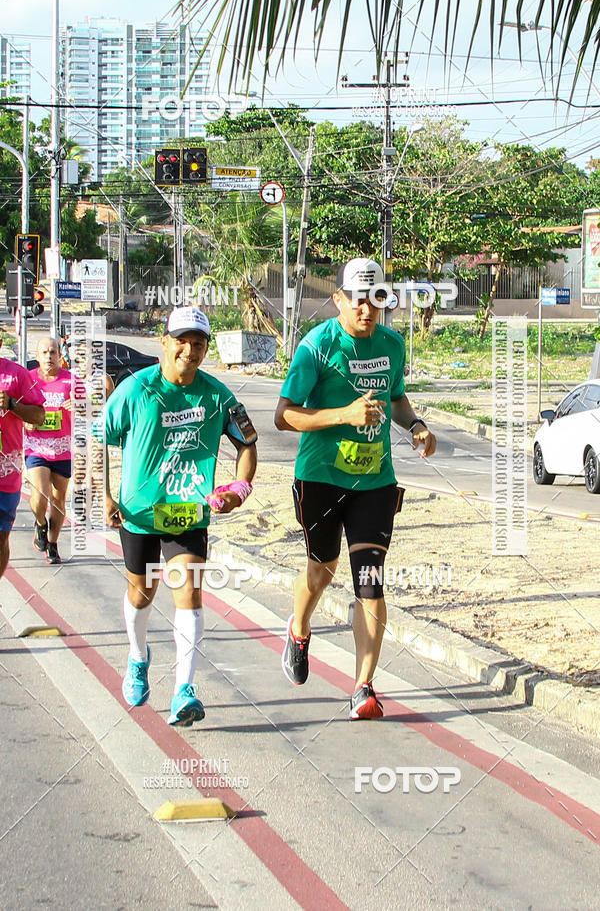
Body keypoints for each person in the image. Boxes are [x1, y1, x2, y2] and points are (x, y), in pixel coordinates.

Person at [274, 258, 437, 720]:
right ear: (339, 300)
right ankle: (300, 627)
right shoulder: (316, 347)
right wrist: (343, 415)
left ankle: (363, 686)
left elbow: (397, 396)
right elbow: (283, 415)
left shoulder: (392, 344)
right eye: (358, 300)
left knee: (370, 580)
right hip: (321, 478)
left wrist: (417, 425)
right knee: (321, 568)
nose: (368, 310)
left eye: (377, 299)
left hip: (375, 481)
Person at [97, 306, 257, 727]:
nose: (190, 349)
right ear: (164, 343)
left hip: (188, 511)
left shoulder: (218, 395)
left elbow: (248, 444)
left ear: (206, 349)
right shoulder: (135, 390)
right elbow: (96, 439)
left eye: (199, 343)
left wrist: (239, 487)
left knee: (188, 591)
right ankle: (138, 656)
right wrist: (106, 495)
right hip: (139, 514)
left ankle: (184, 690)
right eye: (182, 340)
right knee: (142, 595)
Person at [24, 337, 76, 564]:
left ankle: (53, 544)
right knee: (40, 494)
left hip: (63, 448)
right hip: (36, 447)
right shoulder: (28, 380)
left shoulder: (71, 380)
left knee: (59, 499)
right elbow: (17, 407)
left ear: (60, 356)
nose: (48, 356)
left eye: (53, 352)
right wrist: (26, 421)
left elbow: (95, 402)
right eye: (44, 352)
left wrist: (79, 404)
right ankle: (40, 523)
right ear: (37, 357)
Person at [0, 335, 45, 578]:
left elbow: (39, 416)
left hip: (5, 474)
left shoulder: (15, 375)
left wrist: (12, 405)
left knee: (1, 536)